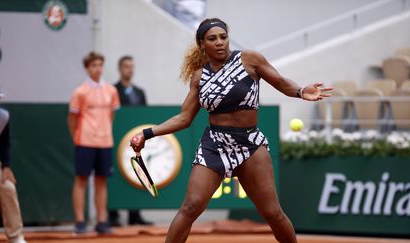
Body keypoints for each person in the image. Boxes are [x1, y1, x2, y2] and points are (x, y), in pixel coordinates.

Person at [130, 18, 333, 243]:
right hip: (214, 145)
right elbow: (184, 117)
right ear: (201, 44)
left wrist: (300, 90)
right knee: (190, 207)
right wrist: (148, 133)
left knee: (273, 214)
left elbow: (280, 81)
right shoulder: (199, 77)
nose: (219, 43)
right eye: (212, 39)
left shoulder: (249, 59)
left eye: (223, 37)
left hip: (250, 145)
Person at [68, 52, 120, 234]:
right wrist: (77, 137)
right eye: (93, 65)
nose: (97, 68)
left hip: (105, 142)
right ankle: (80, 221)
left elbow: (111, 116)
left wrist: (104, 131)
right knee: (81, 180)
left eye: (100, 65)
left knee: (101, 182)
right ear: (87, 68)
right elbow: (72, 119)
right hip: (84, 141)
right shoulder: (80, 92)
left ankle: (102, 222)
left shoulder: (111, 91)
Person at [110, 55, 151, 226]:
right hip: (116, 140)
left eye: (132, 66)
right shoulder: (112, 90)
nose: (130, 69)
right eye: (126, 66)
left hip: (135, 142)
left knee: (137, 172)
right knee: (115, 175)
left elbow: (143, 116)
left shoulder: (140, 92)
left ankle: (135, 215)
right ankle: (113, 215)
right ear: (120, 69)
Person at [0, 84, 26, 243]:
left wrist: (6, 166)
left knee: (8, 187)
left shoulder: (3, 117)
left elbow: (5, 142)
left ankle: (15, 236)